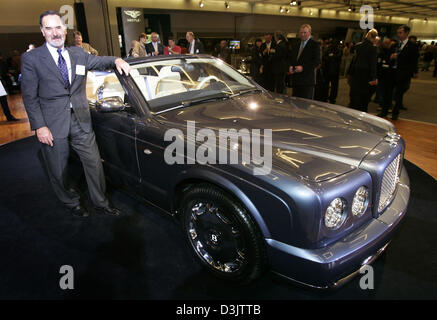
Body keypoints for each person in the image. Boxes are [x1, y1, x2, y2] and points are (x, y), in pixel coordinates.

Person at [21, 10, 131, 218]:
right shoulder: (32, 59)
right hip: (52, 124)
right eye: (50, 28)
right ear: (43, 31)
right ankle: (71, 202)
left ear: (64, 30)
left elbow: (101, 61)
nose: (55, 32)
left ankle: (100, 202)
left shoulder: (78, 54)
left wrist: (117, 60)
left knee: (93, 164)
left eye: (58, 27)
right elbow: (29, 97)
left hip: (81, 120)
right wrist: (39, 126)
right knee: (58, 169)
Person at [390, 25, 419, 120]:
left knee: (399, 93)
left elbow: (414, 60)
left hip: (403, 73)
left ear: (406, 33)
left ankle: (395, 112)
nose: (398, 35)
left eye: (400, 33)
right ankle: (384, 110)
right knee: (389, 91)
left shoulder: (413, 46)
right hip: (392, 72)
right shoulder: (394, 45)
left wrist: (414, 72)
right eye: (398, 33)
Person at [347, 29, 378, 112]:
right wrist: (374, 77)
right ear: (374, 38)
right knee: (364, 97)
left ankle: (352, 109)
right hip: (366, 74)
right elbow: (373, 63)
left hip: (356, 73)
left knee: (354, 93)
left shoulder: (358, 46)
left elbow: (354, 60)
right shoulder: (373, 48)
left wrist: (349, 73)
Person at [288, 24, 321, 99]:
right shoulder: (296, 45)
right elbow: (292, 59)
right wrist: (290, 66)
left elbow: (317, 61)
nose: (302, 34)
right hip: (296, 80)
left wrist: (303, 68)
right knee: (295, 104)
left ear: (309, 33)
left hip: (307, 81)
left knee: (305, 104)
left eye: (305, 32)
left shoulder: (315, 45)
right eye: (301, 32)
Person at [376, 38, 395, 118]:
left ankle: (387, 107)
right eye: (385, 43)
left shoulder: (393, 53)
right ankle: (383, 106)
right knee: (381, 92)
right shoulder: (381, 52)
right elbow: (379, 64)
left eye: (388, 43)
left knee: (388, 94)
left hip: (389, 77)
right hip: (381, 76)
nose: (386, 44)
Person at [322, 39, 342, 104]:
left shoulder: (329, 49)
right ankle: (331, 98)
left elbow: (325, 57)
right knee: (334, 86)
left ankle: (326, 97)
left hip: (328, 70)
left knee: (327, 85)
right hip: (333, 71)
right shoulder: (338, 50)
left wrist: (330, 56)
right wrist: (332, 57)